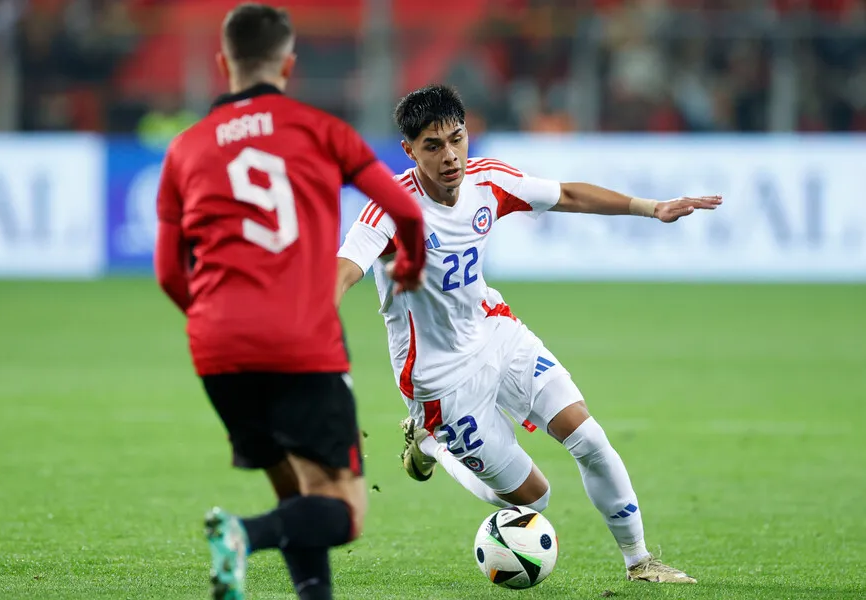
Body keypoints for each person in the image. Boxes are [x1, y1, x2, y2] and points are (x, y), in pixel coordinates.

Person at [335, 84, 721, 584]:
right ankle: (429, 443)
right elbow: (345, 268)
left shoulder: (489, 182)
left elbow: (568, 194)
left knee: (589, 438)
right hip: (439, 377)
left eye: (457, 138)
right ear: (409, 151)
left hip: (496, 331)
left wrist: (652, 208)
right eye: (433, 146)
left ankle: (640, 561)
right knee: (534, 499)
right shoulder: (388, 208)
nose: (450, 156)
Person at [153, 5, 426, 600]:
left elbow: (170, 273)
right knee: (344, 512)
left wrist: (213, 322)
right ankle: (242, 535)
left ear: (223, 63)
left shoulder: (184, 149)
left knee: (300, 496)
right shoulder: (320, 129)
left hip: (217, 348)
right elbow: (406, 211)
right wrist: (406, 265)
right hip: (302, 343)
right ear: (290, 64)